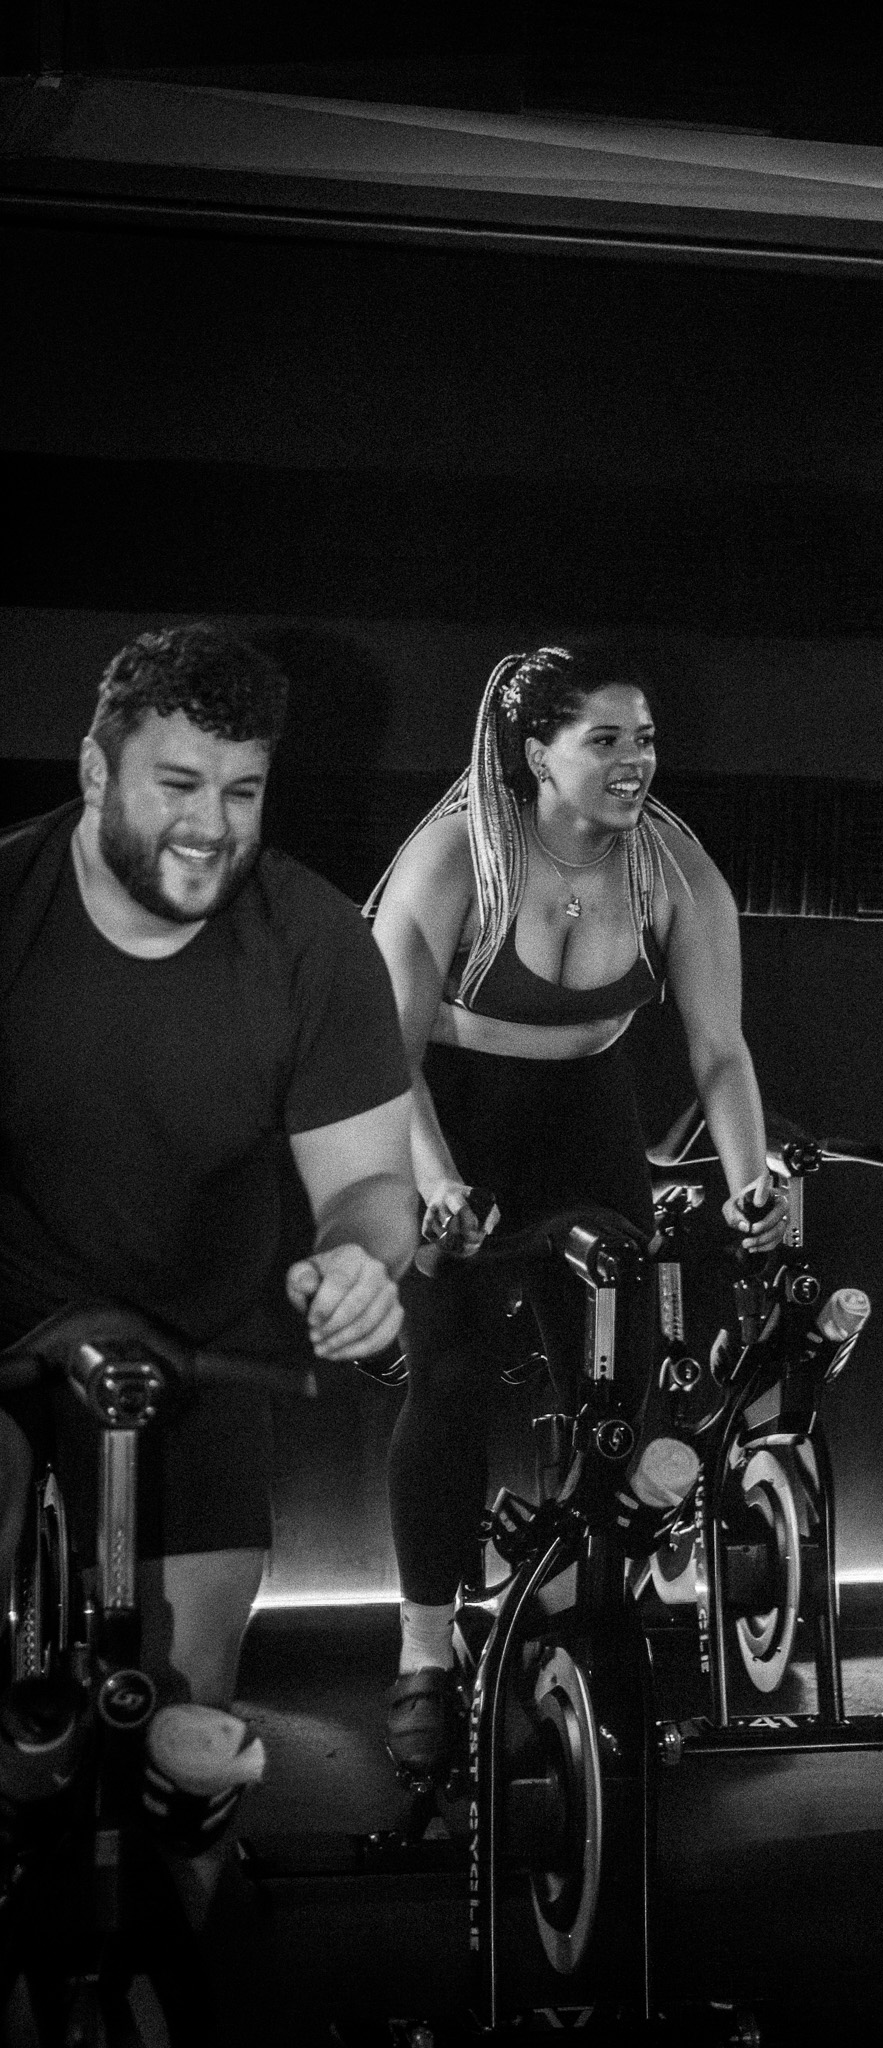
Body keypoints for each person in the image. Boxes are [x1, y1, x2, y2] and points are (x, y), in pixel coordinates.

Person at [368, 642, 786, 1772]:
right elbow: (379, 1057)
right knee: (448, 1367)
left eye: (643, 737)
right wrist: (439, 1179)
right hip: (447, 1107)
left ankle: (563, 1603)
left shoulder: (672, 868)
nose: (633, 759)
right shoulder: (454, 856)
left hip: (584, 1110)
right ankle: (422, 1654)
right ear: (536, 752)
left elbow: (719, 1049)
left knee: (625, 1377)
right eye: (603, 737)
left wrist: (752, 1179)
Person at [0, 622, 417, 1710]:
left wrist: (361, 1262)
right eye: (178, 783)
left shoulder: (315, 941)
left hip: (205, 1338)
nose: (209, 826)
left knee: (184, 1719)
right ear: (96, 771)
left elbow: (370, 1188)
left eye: (242, 791)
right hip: (8, 1316)